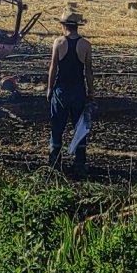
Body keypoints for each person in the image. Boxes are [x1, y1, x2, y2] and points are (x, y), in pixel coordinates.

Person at [46, 9, 94, 177]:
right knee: (79, 127)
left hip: (61, 90)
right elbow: (88, 71)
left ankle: (54, 162)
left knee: (57, 126)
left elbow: (53, 68)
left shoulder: (58, 43)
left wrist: (49, 88)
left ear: (64, 26)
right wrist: (91, 92)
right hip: (78, 90)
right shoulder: (85, 45)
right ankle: (79, 163)